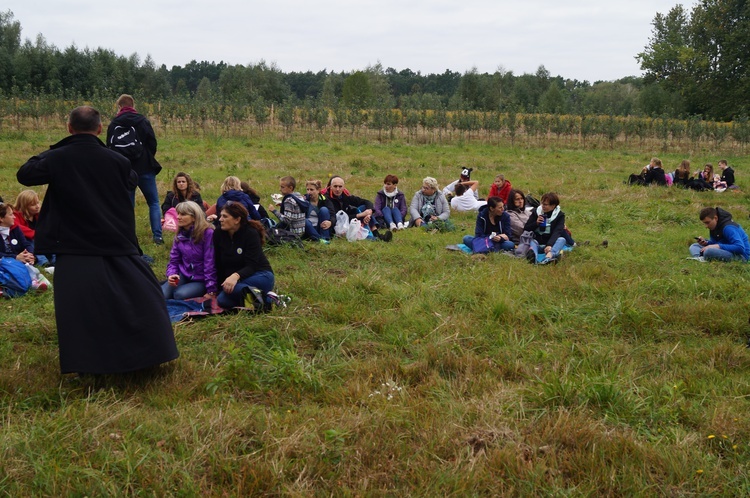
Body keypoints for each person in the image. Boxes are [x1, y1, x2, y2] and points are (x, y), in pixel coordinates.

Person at [17, 106, 178, 374]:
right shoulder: (117, 160)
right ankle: (146, 354)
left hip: (73, 244)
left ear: (69, 128)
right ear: (100, 129)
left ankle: (89, 363)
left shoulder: (58, 158)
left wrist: (57, 151)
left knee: (80, 308)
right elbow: (131, 180)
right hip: (113, 238)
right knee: (136, 295)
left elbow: (26, 173)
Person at [106, 94, 164, 245]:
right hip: (145, 167)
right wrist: (147, 156)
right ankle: (157, 236)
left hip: (125, 170)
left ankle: (129, 237)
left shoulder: (114, 123)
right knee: (153, 202)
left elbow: (109, 147)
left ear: (119, 106)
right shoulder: (142, 120)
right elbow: (152, 142)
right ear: (133, 105)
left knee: (128, 205)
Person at [213, 202, 275, 308]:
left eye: (225, 216)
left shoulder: (251, 234)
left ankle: (268, 300)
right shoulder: (219, 233)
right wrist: (216, 287)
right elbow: (218, 262)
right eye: (220, 216)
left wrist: (235, 276)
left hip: (260, 274)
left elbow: (252, 265)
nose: (220, 219)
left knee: (226, 295)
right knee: (222, 300)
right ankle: (265, 298)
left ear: (237, 220)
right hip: (236, 280)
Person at [162, 201, 217, 300]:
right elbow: (174, 260)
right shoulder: (180, 235)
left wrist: (211, 289)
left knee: (179, 295)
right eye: (178, 213)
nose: (178, 217)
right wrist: (172, 274)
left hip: (202, 279)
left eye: (183, 214)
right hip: (184, 274)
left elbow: (210, 262)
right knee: (161, 295)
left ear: (194, 217)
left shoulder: (208, 233)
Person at [327, 175, 392, 241]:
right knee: (357, 222)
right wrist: (360, 215)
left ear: (343, 187)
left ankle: (376, 234)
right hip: (337, 225)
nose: (338, 189)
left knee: (364, 207)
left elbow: (366, 201)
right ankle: (374, 238)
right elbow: (336, 218)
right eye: (335, 186)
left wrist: (369, 213)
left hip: (349, 220)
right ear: (331, 187)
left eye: (340, 186)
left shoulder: (345, 196)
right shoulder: (327, 199)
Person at [523, 192, 568, 264]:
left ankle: (549, 257)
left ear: (553, 206)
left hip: (550, 243)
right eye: (542, 204)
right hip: (538, 241)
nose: (543, 206)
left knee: (562, 239)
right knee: (531, 241)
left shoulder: (560, 215)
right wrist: (536, 223)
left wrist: (549, 245)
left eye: (545, 205)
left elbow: (557, 231)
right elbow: (526, 228)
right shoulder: (536, 212)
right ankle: (533, 256)